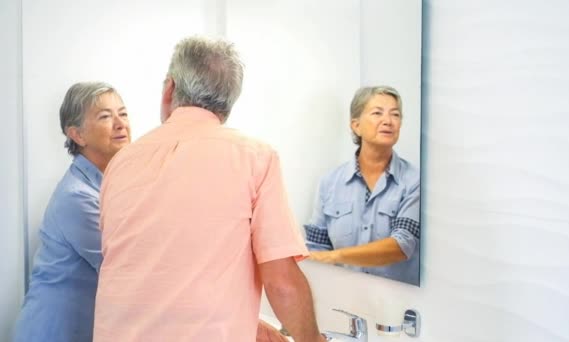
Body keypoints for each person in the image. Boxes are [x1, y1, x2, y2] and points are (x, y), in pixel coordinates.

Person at [93, 36, 325, 342]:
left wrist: (244, 323)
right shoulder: (255, 158)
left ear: (170, 89)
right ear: (228, 103)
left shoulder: (121, 162)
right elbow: (282, 283)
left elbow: (149, 273)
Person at [13, 82, 131, 342]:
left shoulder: (110, 183)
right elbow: (124, 264)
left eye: (122, 113)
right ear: (77, 134)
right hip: (50, 332)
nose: (120, 123)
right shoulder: (76, 197)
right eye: (105, 116)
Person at [304, 86, 421, 285]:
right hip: (342, 297)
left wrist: (336, 256)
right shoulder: (329, 182)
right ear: (356, 125)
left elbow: (402, 245)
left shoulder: (414, 180)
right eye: (377, 113)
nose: (388, 121)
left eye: (395, 114)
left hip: (398, 303)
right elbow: (316, 247)